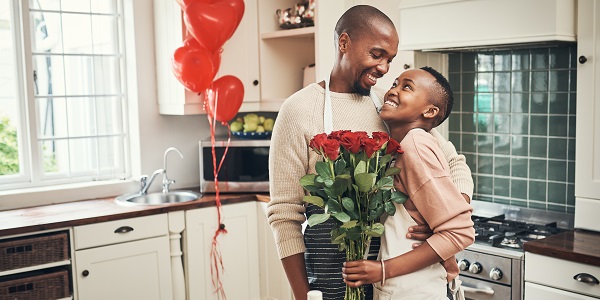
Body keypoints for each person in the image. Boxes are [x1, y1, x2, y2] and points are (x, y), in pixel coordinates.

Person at [267, 5, 473, 300]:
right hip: (330, 277)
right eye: (377, 55)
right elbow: (285, 216)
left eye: (389, 59)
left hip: (391, 276)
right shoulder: (298, 110)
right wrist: (303, 295)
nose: (385, 68)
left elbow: (454, 161)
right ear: (344, 43)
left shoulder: (388, 109)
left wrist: (440, 218)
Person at [341, 67, 476, 299]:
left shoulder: (416, 145)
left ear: (430, 111)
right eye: (394, 84)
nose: (393, 91)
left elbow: (460, 232)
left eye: (407, 87)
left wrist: (383, 270)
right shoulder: (402, 147)